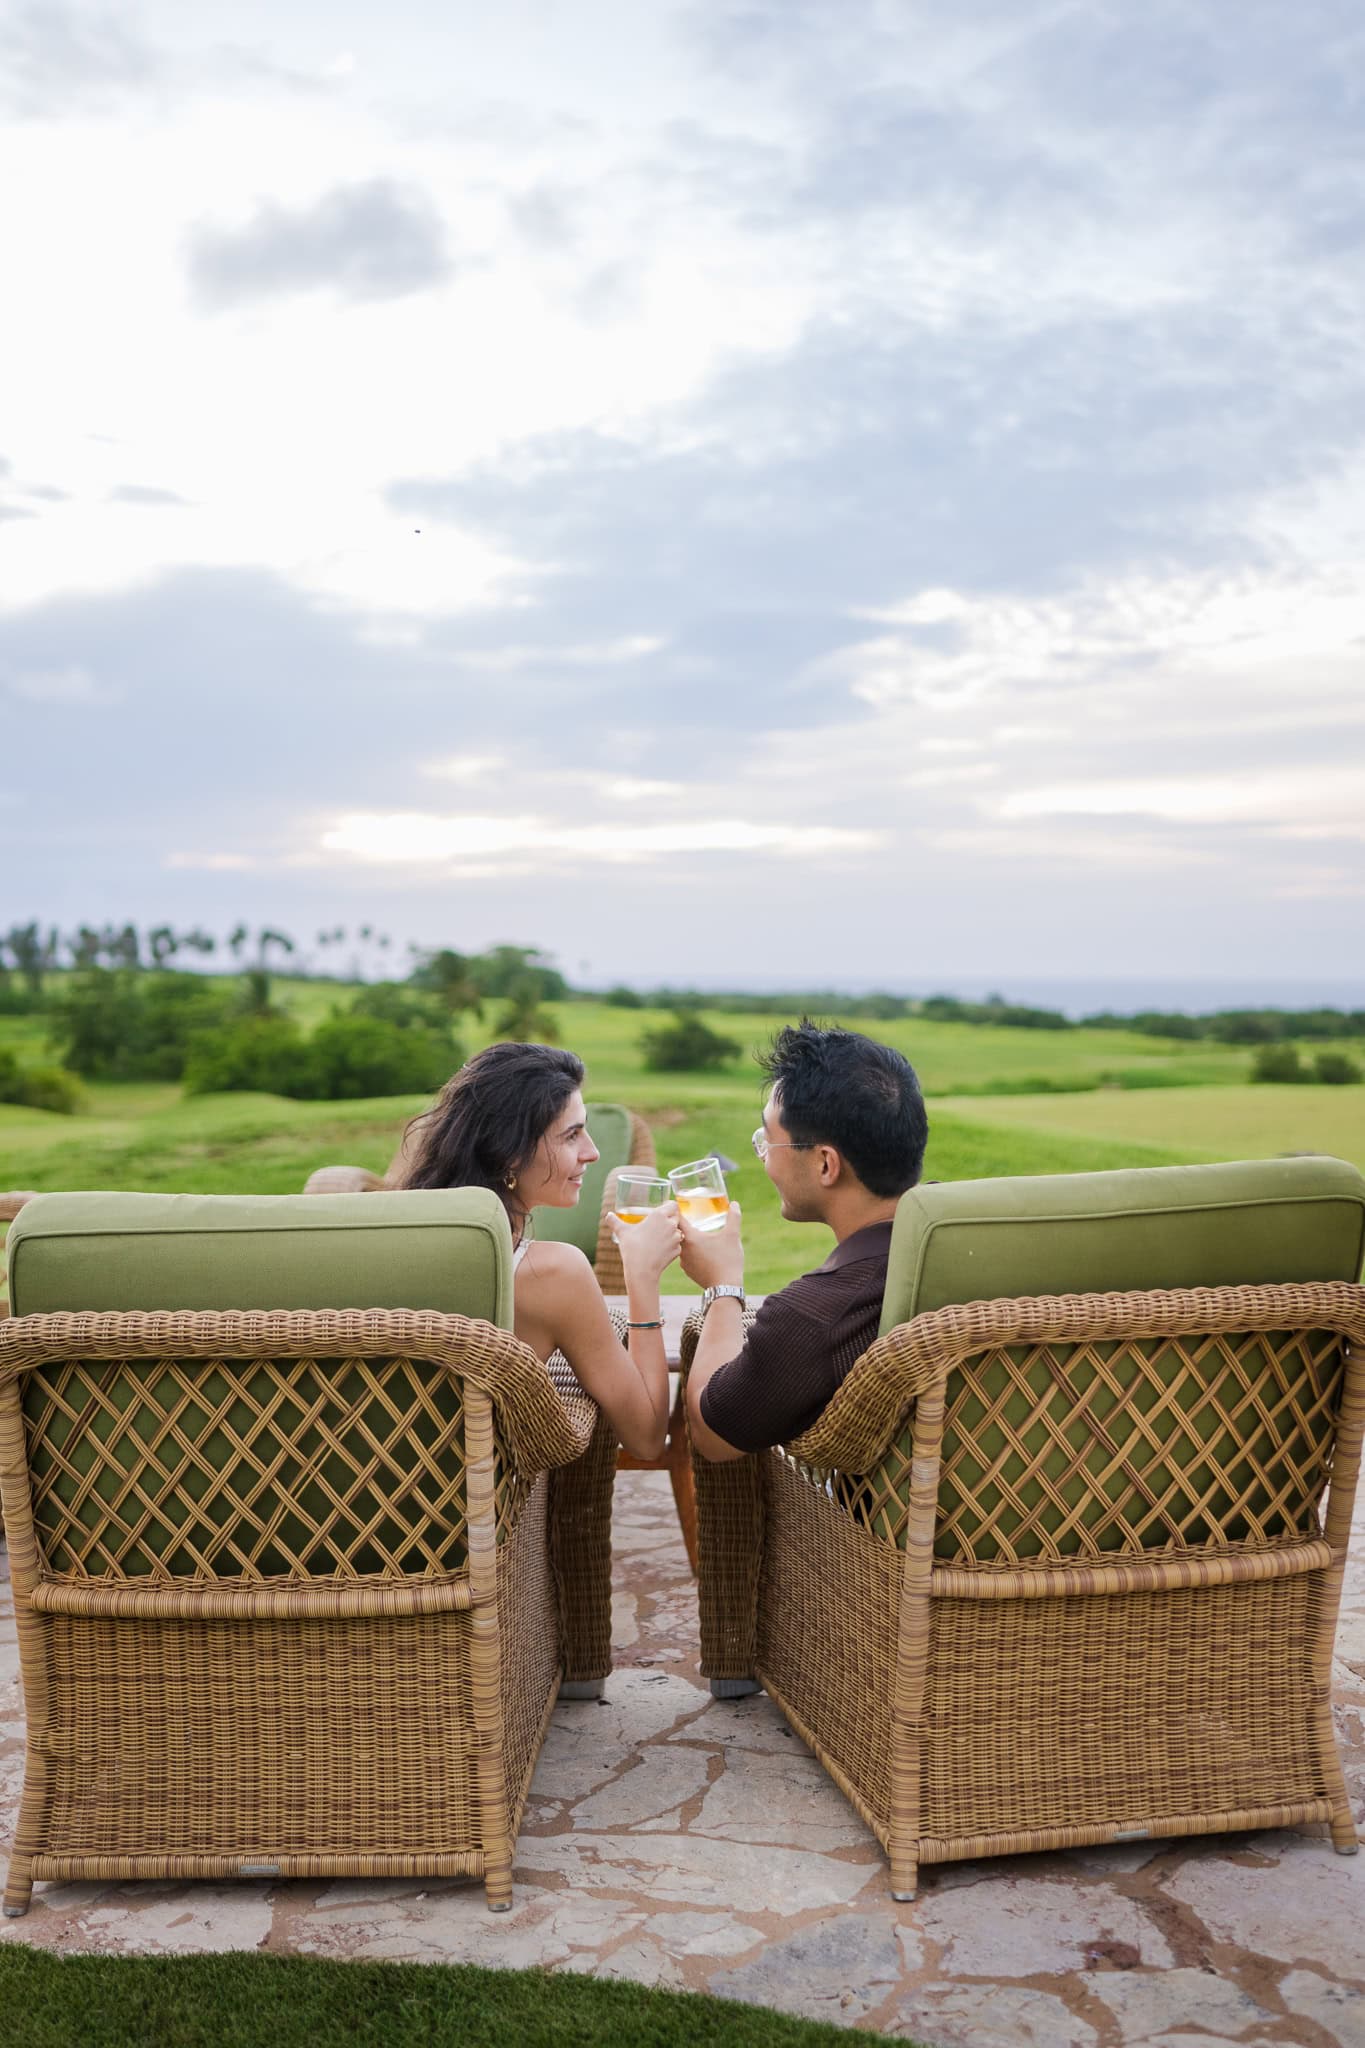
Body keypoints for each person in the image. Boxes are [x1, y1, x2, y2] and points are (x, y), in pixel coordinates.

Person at [400, 1042, 678, 1460]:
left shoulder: (395, 1241)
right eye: (571, 1135)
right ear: (510, 1152)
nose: (593, 1152)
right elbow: (646, 1436)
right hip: (476, 1511)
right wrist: (642, 1273)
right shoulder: (550, 1274)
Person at [682, 1021, 928, 1460]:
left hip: (869, 1526)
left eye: (768, 1142)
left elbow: (712, 1435)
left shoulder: (816, 1316)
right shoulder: (979, 1247)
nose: (763, 1159)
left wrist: (722, 1286)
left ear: (825, 1165)